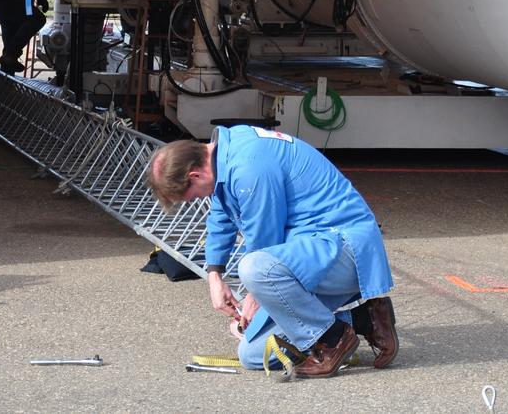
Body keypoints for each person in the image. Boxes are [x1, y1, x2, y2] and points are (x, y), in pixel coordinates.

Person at [147, 127, 398, 379]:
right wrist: (215, 276)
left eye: (190, 196)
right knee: (254, 354)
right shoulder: (224, 154)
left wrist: (254, 297)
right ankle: (365, 319)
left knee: (253, 268)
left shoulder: (248, 168)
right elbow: (220, 215)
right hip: (310, 256)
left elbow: (265, 243)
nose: (194, 200)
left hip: (346, 251)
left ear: (195, 174)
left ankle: (334, 340)